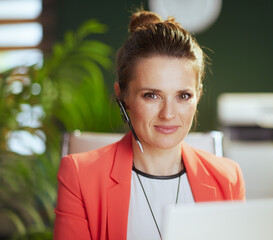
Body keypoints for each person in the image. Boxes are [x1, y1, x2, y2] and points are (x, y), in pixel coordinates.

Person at [54, 10, 245, 240]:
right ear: (123, 96)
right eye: (152, 95)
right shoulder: (79, 176)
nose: (168, 114)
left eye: (183, 96)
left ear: (198, 96)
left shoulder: (228, 177)